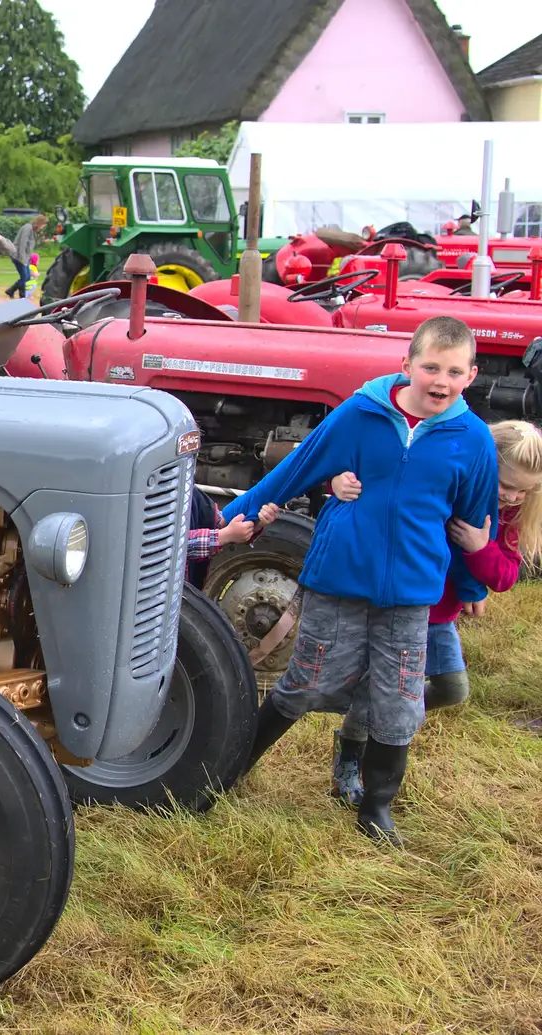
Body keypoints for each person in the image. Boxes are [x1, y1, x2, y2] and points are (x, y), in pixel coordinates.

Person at [222, 315, 498, 846]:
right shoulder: (361, 414)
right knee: (305, 683)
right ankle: (228, 769)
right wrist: (240, 514)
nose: (441, 380)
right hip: (340, 577)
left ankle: (375, 807)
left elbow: (473, 521)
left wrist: (470, 588)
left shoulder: (473, 440)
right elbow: (297, 467)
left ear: (472, 375)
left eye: (454, 371)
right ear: (407, 365)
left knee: (398, 701)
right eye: (430, 367)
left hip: (410, 594)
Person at [324, 419, 542, 804]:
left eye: (524, 491)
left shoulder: (510, 517)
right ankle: (349, 758)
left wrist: (479, 547)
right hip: (400, 605)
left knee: (453, 689)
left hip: (441, 617)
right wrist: (338, 483)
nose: (512, 497)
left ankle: (390, 712)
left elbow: (506, 576)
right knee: (373, 694)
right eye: (506, 485)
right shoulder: (449, 486)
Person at [7, 214, 47, 299]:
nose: (42, 227)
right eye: (43, 225)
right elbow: (22, 244)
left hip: (26, 258)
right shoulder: (27, 228)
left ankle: (11, 291)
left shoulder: (32, 230)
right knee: (25, 277)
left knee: (27, 277)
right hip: (18, 256)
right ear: (39, 223)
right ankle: (22, 296)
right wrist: (23, 260)